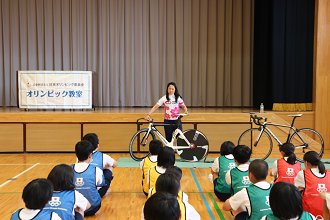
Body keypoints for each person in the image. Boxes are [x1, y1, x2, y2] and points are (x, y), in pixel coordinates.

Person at [71, 140, 104, 216]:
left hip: (74, 209)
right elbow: (100, 185)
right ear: (90, 155)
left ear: (76, 155)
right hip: (93, 208)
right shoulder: (96, 170)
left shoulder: (69, 169)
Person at [294, 151, 330, 219]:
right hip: (327, 214)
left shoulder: (303, 173)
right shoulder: (328, 174)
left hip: (309, 215)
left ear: (306, 163)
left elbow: (296, 192)